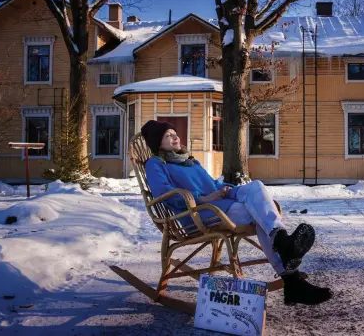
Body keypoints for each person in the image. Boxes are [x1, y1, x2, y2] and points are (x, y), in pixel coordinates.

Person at [141, 120, 333, 305]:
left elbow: (214, 184)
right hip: (197, 214)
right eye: (168, 135)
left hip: (219, 205)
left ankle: (281, 239)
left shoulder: (190, 161)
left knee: (255, 187)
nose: (175, 138)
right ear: (158, 142)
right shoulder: (156, 164)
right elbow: (164, 194)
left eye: (175, 134)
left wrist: (230, 190)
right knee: (258, 215)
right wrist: (204, 198)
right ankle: (291, 278)